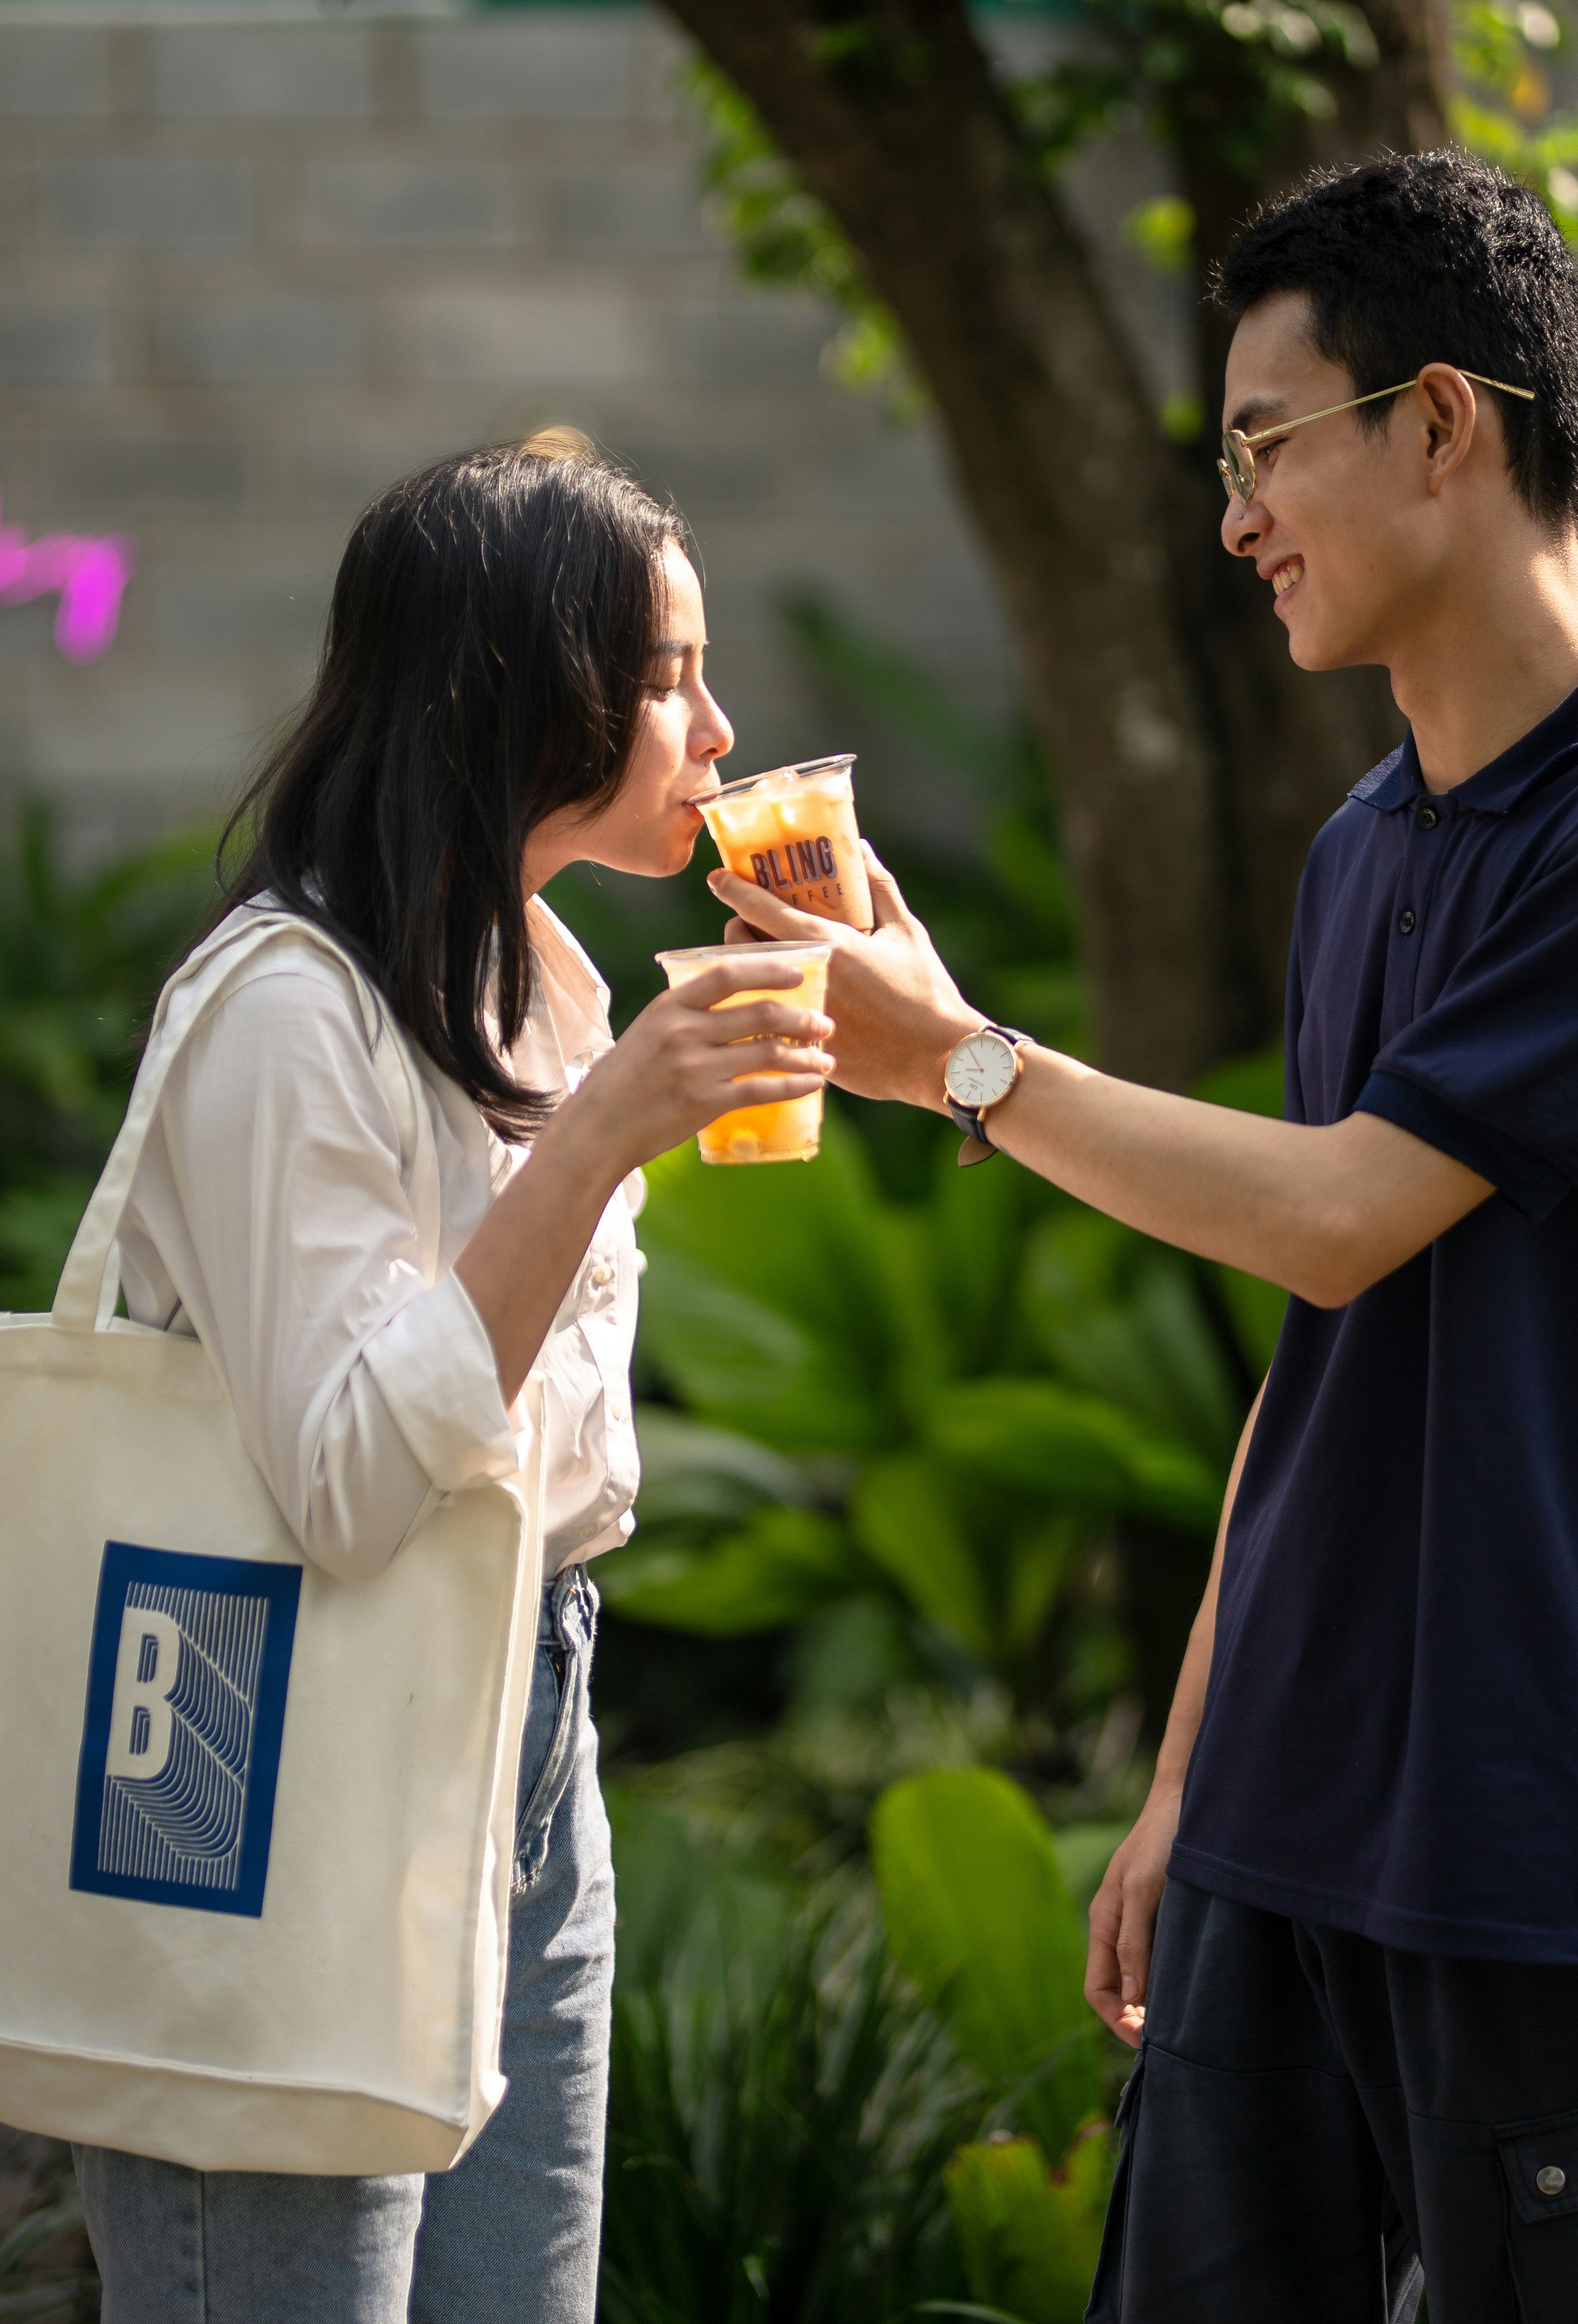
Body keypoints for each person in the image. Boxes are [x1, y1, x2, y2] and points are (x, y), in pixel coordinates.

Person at [708, 152, 1578, 2321]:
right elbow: (1320, 1331)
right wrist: (1196, 1769)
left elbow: (1357, 1210)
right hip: (1288, 1821)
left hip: (1515, 1844)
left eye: (1266, 447)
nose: (1233, 517)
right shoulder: (1365, 849)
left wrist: (972, 1066)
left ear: (1447, 424)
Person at [71, 431, 834, 2323]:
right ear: (524, 688)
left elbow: (564, 1466)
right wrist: (597, 1150)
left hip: (526, 1748)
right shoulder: (281, 1010)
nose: (721, 728)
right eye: (668, 678)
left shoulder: (542, 989)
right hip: (265, 1772)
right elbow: (342, 1489)